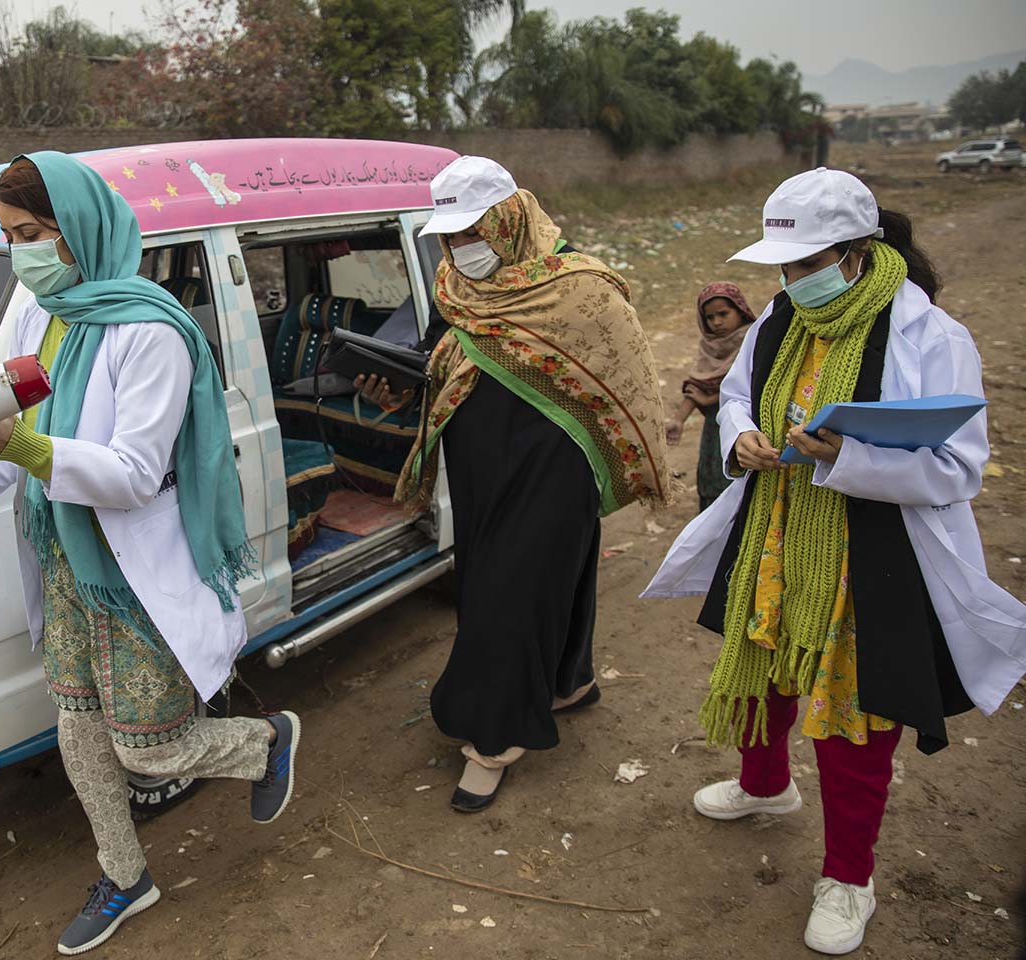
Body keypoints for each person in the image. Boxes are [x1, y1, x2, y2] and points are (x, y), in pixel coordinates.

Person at [644, 167, 1026, 955]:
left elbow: (956, 468)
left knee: (852, 709)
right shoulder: (779, 319)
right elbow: (742, 396)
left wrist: (848, 456)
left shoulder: (930, 335)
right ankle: (765, 787)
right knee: (764, 660)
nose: (791, 281)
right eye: (784, 266)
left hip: (869, 550)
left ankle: (850, 877)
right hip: (776, 531)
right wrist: (741, 434)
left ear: (859, 251)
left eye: (809, 264)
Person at [0, 152, 300, 956]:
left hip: (133, 571)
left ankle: (264, 740)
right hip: (69, 560)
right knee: (78, 726)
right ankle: (125, 874)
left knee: (150, 746)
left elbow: (134, 475)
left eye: (29, 232)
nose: (18, 253)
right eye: (7, 237)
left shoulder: (150, 330)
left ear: (80, 226)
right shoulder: (39, 313)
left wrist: (20, 448)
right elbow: (3, 428)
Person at [358, 155, 672, 812]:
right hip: (481, 468)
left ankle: (494, 740)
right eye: (450, 236)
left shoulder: (580, 287)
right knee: (518, 582)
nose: (461, 248)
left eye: (473, 232)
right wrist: (396, 386)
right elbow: (440, 356)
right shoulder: (455, 285)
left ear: (508, 218)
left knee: (512, 590)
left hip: (555, 467)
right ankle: (569, 681)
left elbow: (625, 377)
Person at [665, 283, 757, 512]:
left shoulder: (754, 339)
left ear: (740, 310)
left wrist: (711, 400)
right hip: (714, 431)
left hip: (745, 427)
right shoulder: (710, 347)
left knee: (740, 488)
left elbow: (753, 385)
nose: (716, 322)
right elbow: (698, 385)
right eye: (710, 317)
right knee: (712, 484)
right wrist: (678, 420)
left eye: (724, 314)